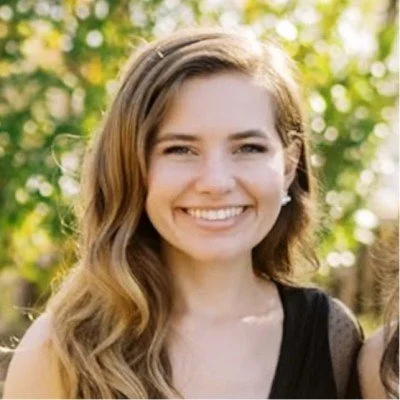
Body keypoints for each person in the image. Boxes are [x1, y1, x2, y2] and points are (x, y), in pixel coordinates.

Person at [4, 27, 363, 399]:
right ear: (132, 167)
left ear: (288, 164)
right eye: (180, 150)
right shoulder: (59, 351)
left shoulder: (332, 337)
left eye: (248, 148)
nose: (216, 182)